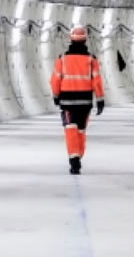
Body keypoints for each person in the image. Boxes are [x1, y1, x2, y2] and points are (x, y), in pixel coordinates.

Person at [50, 26, 105, 175]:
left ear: (70, 39)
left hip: (67, 101)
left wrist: (56, 96)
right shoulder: (91, 59)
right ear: (85, 40)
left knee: (70, 129)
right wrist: (100, 99)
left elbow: (55, 79)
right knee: (81, 130)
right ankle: (78, 154)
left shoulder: (62, 59)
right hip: (85, 102)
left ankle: (74, 159)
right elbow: (97, 81)